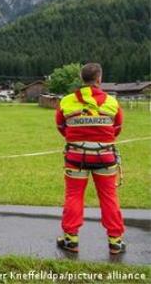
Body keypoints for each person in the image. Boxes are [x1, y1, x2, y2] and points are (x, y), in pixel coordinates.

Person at [55, 63, 125, 254]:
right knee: (109, 198)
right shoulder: (112, 102)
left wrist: (79, 140)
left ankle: (70, 240)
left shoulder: (67, 101)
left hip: (76, 158)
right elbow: (117, 127)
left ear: (81, 78)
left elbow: (61, 126)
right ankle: (115, 241)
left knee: (73, 196)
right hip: (105, 158)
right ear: (99, 79)